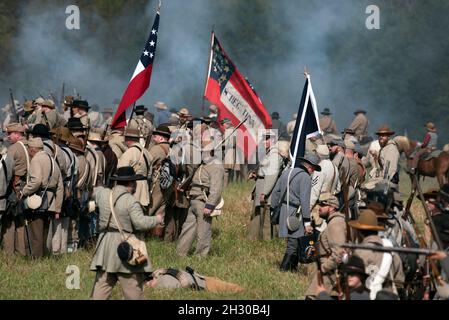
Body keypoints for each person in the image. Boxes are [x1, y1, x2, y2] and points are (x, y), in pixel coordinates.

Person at [90, 166, 163, 300]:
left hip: (105, 247)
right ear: (131, 183)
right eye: (134, 181)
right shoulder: (131, 201)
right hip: (125, 246)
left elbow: (95, 190)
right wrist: (156, 219)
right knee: (132, 290)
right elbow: (140, 223)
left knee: (101, 289)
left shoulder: (103, 194)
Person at [271, 154, 321, 272]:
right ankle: (283, 270)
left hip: (283, 210)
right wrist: (307, 222)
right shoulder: (305, 177)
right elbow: (304, 201)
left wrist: (274, 209)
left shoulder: (287, 172)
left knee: (294, 242)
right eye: (313, 168)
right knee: (293, 244)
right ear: (309, 167)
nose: (313, 171)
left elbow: (276, 192)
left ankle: (293, 269)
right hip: (294, 213)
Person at [177, 140, 224, 257]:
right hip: (194, 199)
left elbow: (216, 188)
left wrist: (210, 205)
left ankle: (200, 257)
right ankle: (180, 254)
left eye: (203, 151)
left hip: (204, 201)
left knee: (203, 232)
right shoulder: (201, 164)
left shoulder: (216, 166)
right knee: (187, 229)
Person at [20, 137, 63, 258]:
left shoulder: (36, 160)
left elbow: (36, 181)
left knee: (35, 233)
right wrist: (58, 208)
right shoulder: (52, 160)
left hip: (37, 201)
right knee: (44, 232)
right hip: (51, 202)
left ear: (32, 149)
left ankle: (36, 260)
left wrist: (23, 191)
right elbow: (60, 186)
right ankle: (44, 258)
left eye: (28, 148)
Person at [349, 209, 405, 299]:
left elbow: (353, 281)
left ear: (359, 231)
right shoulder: (389, 246)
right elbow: (399, 279)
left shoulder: (360, 252)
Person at [305, 192, 347, 298]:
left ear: (332, 207)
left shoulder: (336, 224)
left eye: (323, 205)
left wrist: (324, 268)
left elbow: (339, 253)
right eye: (320, 204)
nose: (319, 207)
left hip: (328, 275)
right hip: (327, 273)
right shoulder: (333, 222)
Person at [248, 132, 284, 240]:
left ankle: (266, 240)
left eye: (266, 139)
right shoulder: (269, 153)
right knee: (259, 213)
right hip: (261, 185)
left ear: (272, 141)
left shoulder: (274, 155)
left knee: (267, 215)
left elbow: (272, 176)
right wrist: (256, 174)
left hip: (266, 188)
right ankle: (255, 237)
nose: (263, 142)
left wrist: (265, 192)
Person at [1, 123, 29, 255]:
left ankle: (9, 254)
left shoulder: (14, 149)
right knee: (20, 222)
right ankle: (22, 252)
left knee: (9, 221)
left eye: (10, 134)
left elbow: (7, 171)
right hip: (26, 186)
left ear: (17, 134)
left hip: (14, 187)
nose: (8, 136)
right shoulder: (30, 145)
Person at [309, 144, 341, 232]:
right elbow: (338, 188)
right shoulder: (335, 167)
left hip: (319, 205)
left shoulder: (320, 168)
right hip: (330, 205)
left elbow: (315, 191)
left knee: (316, 231)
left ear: (318, 154)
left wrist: (308, 207)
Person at [118, 128, 151, 209]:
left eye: (125, 137)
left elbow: (121, 172)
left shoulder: (130, 152)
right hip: (144, 189)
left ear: (128, 139)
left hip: (132, 188)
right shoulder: (147, 152)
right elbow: (149, 174)